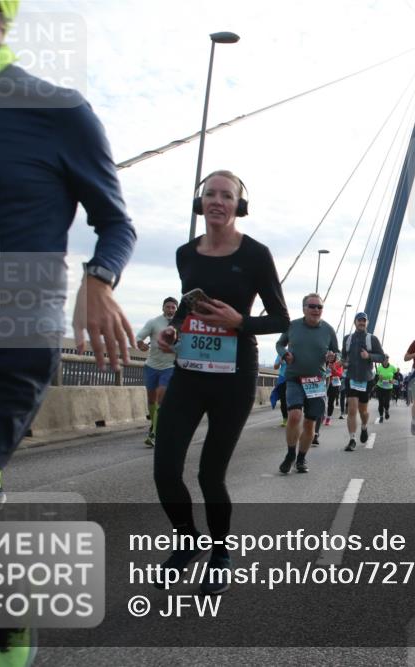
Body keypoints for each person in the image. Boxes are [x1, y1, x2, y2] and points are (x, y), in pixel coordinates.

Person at [0, 2, 136, 663]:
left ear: (1, 10)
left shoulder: (57, 112)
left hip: (0, 347)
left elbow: (116, 221)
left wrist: (99, 280)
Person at [153, 170, 289, 596]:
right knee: (164, 470)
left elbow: (282, 318)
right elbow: (187, 305)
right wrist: (173, 330)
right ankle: (187, 538)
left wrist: (241, 322)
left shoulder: (255, 254)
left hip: (234, 378)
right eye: (209, 194)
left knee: (211, 474)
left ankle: (220, 554)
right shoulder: (184, 253)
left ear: (238, 206)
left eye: (226, 196)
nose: (217, 201)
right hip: (190, 373)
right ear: (201, 202)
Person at [275, 294, 339, 472]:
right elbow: (280, 344)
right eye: (312, 306)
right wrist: (284, 354)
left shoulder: (328, 330)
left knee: (310, 423)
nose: (316, 310)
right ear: (304, 308)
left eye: (319, 307)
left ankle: (301, 459)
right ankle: (290, 454)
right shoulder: (293, 326)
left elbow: (338, 353)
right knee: (295, 416)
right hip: (295, 378)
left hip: (317, 381)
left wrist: (333, 357)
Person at [136, 297, 178, 447]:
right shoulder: (154, 322)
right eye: (168, 307)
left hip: (169, 367)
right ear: (163, 308)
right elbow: (139, 337)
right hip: (151, 366)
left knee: (161, 397)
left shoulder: (180, 324)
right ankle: (155, 427)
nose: (171, 310)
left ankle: (154, 432)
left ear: (176, 309)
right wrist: (140, 344)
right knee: (151, 400)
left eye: (173, 307)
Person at [341, 312, 386, 451]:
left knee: (363, 411)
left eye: (364, 321)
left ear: (367, 323)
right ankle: (352, 439)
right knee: (352, 409)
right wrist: (344, 363)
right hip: (351, 378)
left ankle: (364, 426)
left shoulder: (372, 339)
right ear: (355, 322)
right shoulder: (347, 339)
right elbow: (344, 357)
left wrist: (369, 356)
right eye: (359, 321)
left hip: (366, 379)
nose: (361, 323)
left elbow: (382, 357)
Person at [374, 356, 397, 422]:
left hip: (389, 388)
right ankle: (381, 416)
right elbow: (375, 378)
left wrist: (393, 380)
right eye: (384, 360)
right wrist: (379, 378)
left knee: (386, 402)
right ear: (382, 361)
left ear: (388, 360)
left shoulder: (392, 368)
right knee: (380, 403)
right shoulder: (379, 368)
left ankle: (386, 411)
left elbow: (396, 378)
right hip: (380, 387)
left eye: (387, 360)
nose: (385, 362)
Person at [325, 358, 344, 425]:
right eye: (341, 362)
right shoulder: (330, 362)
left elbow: (340, 374)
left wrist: (334, 369)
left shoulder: (340, 367)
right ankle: (321, 416)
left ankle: (328, 418)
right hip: (325, 383)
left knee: (331, 401)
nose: (341, 364)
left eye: (342, 364)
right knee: (322, 400)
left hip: (334, 385)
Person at [271, 353, 289, 426]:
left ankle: (293, 418)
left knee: (293, 400)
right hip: (283, 380)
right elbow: (275, 367)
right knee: (283, 400)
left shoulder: (297, 351)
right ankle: (285, 418)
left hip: (293, 379)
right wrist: (279, 362)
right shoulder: (282, 353)